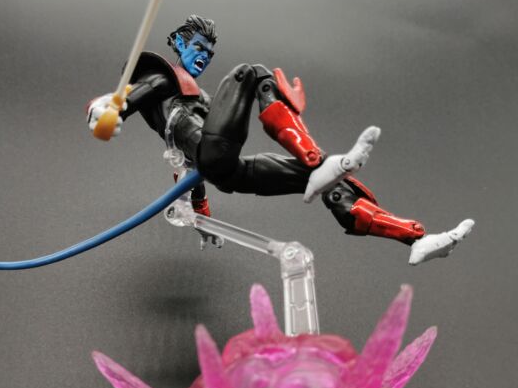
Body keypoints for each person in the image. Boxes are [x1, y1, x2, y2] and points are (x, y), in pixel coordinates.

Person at [87, 15, 473, 264]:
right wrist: (102, 111)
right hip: (213, 154)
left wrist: (201, 217)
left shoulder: (202, 99)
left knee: (330, 182)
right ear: (178, 43)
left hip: (230, 171)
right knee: (251, 72)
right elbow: (119, 102)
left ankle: (415, 239)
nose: (204, 56)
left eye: (209, 52)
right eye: (198, 48)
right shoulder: (162, 80)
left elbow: (191, 169)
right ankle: (316, 158)